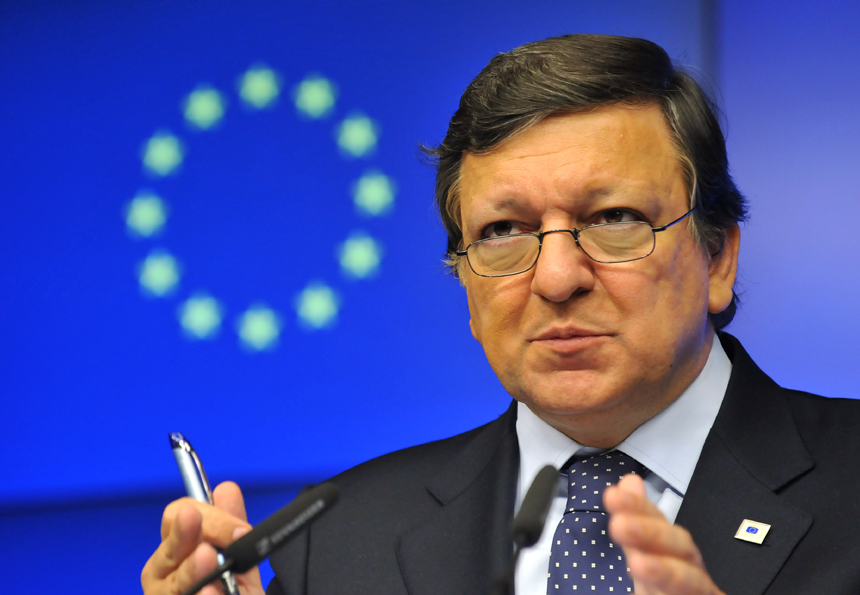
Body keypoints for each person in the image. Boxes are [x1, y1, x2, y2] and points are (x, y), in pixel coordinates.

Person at [141, 34, 860, 595]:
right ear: (465, 283)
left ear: (718, 257)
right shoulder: (338, 540)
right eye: (503, 231)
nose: (555, 276)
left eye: (613, 217)